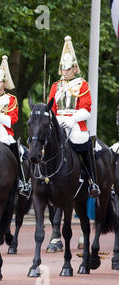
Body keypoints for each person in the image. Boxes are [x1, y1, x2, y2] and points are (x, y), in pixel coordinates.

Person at [47, 36, 100, 198]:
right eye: (63, 68)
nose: (65, 71)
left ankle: (92, 181)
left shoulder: (82, 84)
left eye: (68, 68)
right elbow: (51, 108)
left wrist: (72, 119)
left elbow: (86, 108)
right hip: (58, 122)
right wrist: (54, 120)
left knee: (81, 141)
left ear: (74, 69)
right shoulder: (56, 86)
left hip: (74, 122)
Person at [0, 55, 31, 198]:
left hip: (4, 128)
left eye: (0, 82)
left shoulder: (11, 99)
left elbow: (13, 119)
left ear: (4, 84)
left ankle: (21, 180)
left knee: (14, 147)